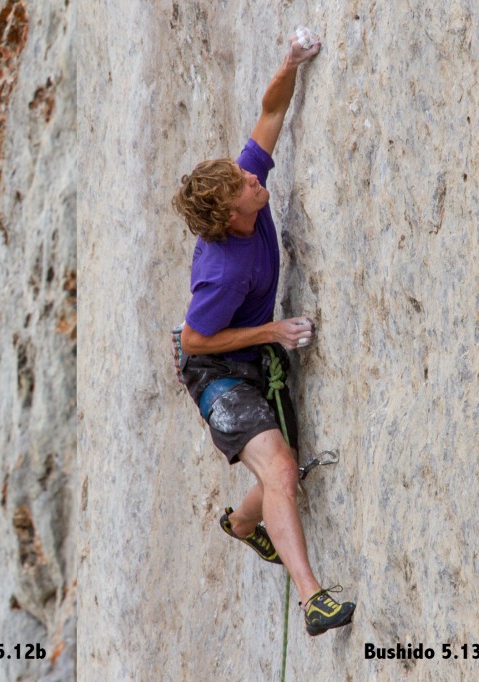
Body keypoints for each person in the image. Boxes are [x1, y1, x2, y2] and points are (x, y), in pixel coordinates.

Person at [172, 31, 356, 636]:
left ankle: (244, 525)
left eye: (245, 176)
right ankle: (313, 601)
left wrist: (289, 63)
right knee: (279, 470)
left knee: (283, 467)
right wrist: (270, 329)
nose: (254, 179)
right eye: (244, 187)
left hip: (250, 352)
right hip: (216, 374)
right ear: (231, 213)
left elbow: (271, 110)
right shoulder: (222, 272)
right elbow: (193, 342)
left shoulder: (245, 187)